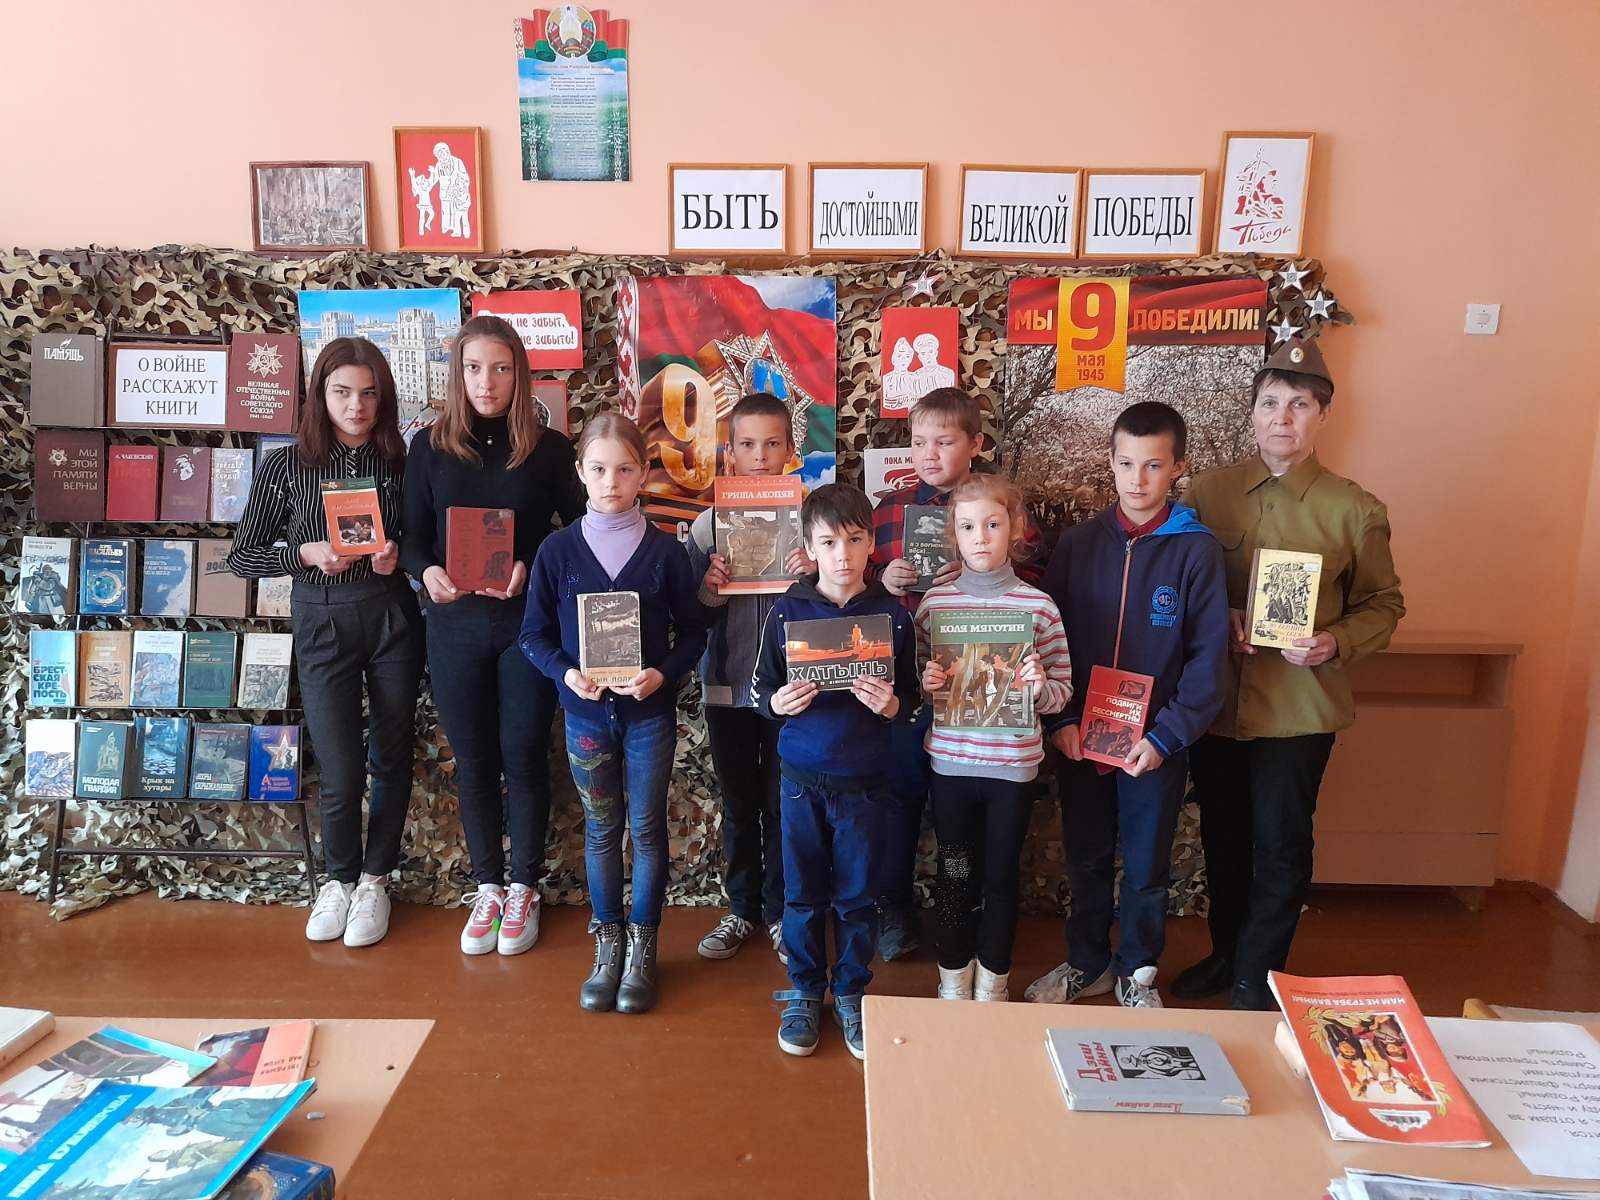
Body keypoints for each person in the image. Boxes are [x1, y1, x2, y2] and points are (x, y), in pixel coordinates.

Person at [1170, 337, 1404, 1011]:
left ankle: (1259, 973)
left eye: (1299, 405)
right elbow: (1182, 586)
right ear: (1251, 413)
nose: (1282, 417)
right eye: (1270, 402)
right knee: (1223, 838)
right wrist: (1218, 618)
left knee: (1280, 843)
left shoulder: (1354, 510)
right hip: (1218, 705)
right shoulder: (1208, 495)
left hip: (1298, 709)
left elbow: (1384, 604)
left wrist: (1335, 641)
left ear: (1322, 416)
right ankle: (1227, 952)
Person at [1026, 401, 1229, 1009]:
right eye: (1125, 464)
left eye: (1153, 465)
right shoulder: (1078, 544)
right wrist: (1061, 720)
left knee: (1145, 866)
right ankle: (1086, 963)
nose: (1137, 480)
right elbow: (1048, 637)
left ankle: (1137, 972)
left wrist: (1166, 737)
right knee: (1086, 857)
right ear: (1110, 463)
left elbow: (1208, 658)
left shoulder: (1196, 551)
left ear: (1178, 468)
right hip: (1081, 737)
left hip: (1153, 743)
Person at [401, 314, 584, 958]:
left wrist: (531, 562)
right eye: (475, 368)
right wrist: (426, 572)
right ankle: (487, 886)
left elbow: (578, 531)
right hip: (453, 627)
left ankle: (524, 887)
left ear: (520, 375)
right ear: (457, 373)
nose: (487, 382)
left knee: (523, 753)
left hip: (526, 627)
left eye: (501, 368)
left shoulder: (550, 448)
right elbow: (411, 537)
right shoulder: (428, 448)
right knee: (475, 759)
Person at [228, 337, 420, 949]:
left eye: (368, 394)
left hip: (391, 615)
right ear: (320, 395)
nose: (355, 406)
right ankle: (338, 880)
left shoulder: (402, 463)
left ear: (384, 398)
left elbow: (427, 541)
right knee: (339, 764)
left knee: (391, 756)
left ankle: (376, 879)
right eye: (341, 392)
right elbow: (242, 557)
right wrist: (302, 553)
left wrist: (400, 555)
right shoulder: (287, 465)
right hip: (321, 618)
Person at [519, 412, 707, 1014]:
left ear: (643, 473)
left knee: (646, 829)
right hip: (586, 716)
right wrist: (566, 673)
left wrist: (662, 674)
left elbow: (693, 634)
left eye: (624, 470)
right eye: (598, 469)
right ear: (580, 471)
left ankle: (643, 944)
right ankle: (608, 945)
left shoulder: (665, 552)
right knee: (602, 829)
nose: (611, 482)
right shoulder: (557, 551)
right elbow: (532, 635)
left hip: (648, 716)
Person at [868, 388, 1040, 960]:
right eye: (918, 442)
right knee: (899, 801)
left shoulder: (1000, 505)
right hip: (907, 686)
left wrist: (970, 576)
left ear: (975, 444)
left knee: (971, 839)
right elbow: (851, 584)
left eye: (943, 442)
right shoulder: (888, 509)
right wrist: (882, 581)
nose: (929, 454)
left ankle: (984, 932)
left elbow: (1033, 577)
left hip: (982, 709)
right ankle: (896, 911)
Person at [751, 483, 919, 1059]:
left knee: (856, 897)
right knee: (801, 894)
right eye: (828, 543)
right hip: (800, 780)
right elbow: (760, 689)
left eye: (853, 540)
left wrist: (892, 706)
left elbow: (912, 700)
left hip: (866, 783)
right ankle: (804, 990)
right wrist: (778, 704)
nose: (842, 555)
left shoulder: (892, 617)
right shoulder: (787, 612)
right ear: (808, 547)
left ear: (871, 543)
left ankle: (850, 992)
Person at [915, 475, 1072, 1002]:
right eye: (967, 527)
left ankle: (993, 982)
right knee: (956, 874)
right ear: (953, 535)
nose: (980, 536)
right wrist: (926, 682)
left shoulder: (1039, 607)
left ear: (1016, 529)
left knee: (1001, 876)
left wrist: (1040, 686)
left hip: (1012, 769)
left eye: (992, 524)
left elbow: (1062, 692)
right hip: (952, 769)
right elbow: (918, 682)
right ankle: (953, 978)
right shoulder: (935, 603)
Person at [685, 393, 813, 963]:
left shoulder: (812, 521)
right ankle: (741, 908)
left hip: (793, 691)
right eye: (747, 444)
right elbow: (689, 615)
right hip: (728, 686)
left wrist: (814, 576)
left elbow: (838, 604)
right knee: (739, 804)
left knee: (784, 803)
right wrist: (710, 587)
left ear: (790, 451)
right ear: (730, 453)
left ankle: (782, 914)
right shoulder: (707, 525)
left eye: (771, 444)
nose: (760, 456)